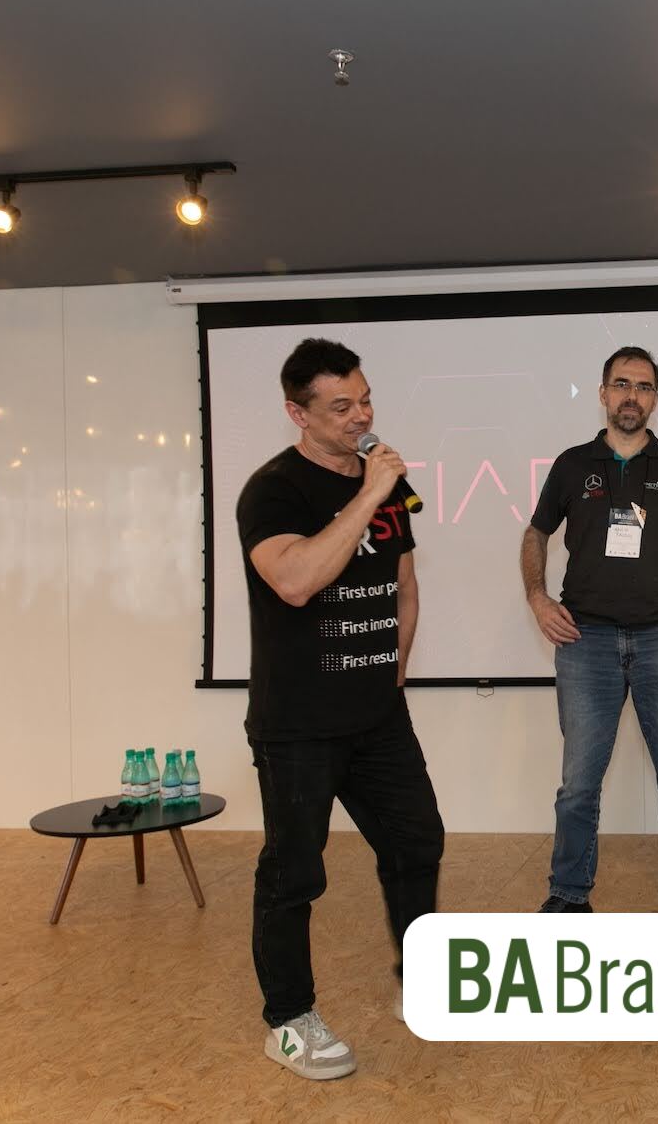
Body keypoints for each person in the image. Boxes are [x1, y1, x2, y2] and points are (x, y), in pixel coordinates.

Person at [237, 337, 445, 1080]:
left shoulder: (388, 485)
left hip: (377, 715)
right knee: (294, 872)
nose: (361, 416)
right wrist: (367, 493)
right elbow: (296, 580)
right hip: (298, 725)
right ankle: (288, 1020)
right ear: (298, 413)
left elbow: (404, 586)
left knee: (417, 841)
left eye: (365, 399)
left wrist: (394, 674)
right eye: (340, 406)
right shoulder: (272, 491)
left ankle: (419, 980)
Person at [520, 345, 658, 913]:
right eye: (622, 384)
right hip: (585, 642)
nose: (632, 395)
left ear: (655, 398)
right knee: (578, 784)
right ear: (603, 392)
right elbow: (536, 534)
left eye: (644, 386)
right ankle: (568, 895)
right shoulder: (571, 464)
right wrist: (537, 597)